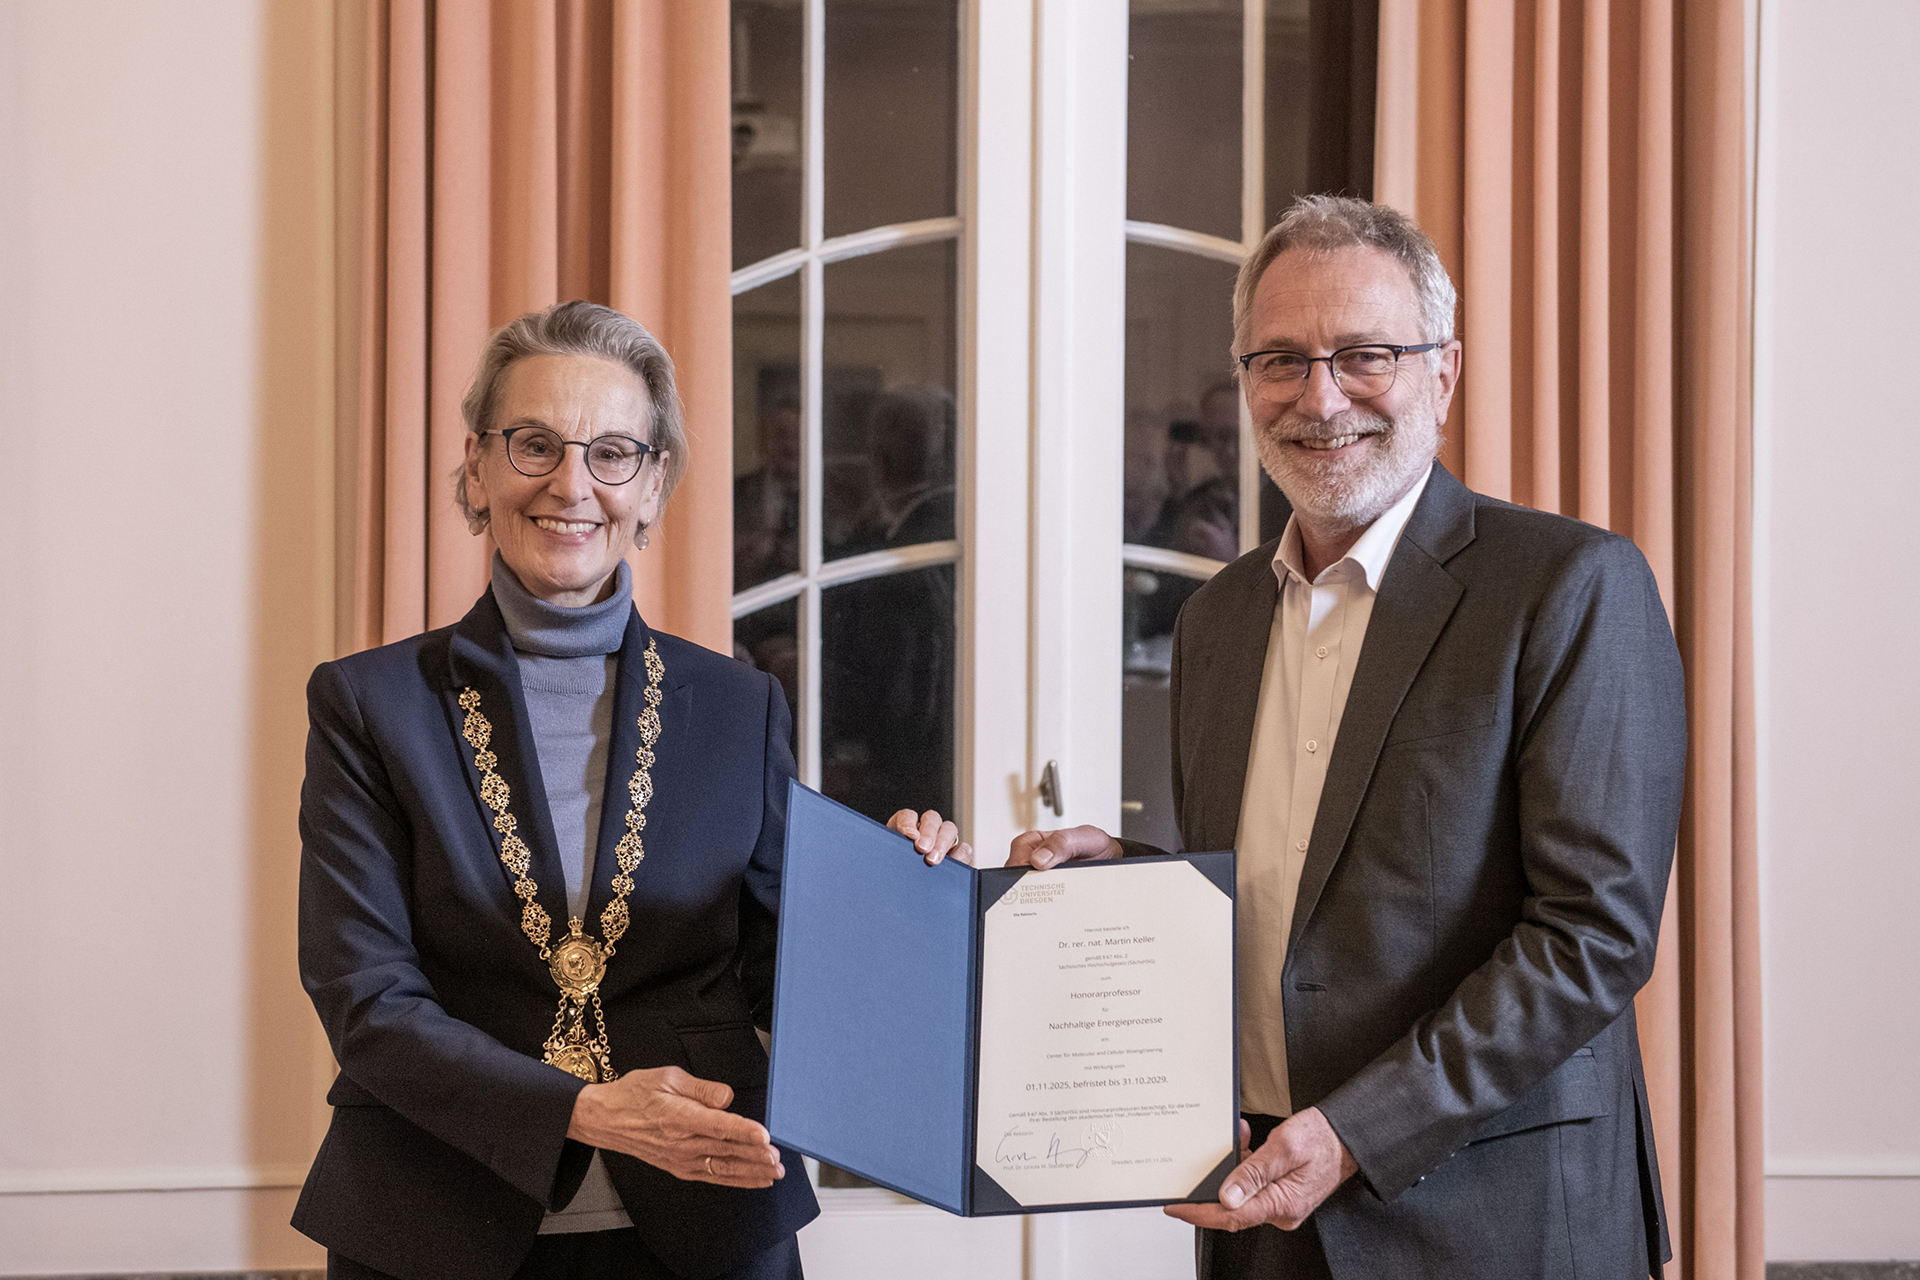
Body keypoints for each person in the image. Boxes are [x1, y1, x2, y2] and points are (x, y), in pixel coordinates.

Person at [897, 196, 1684, 1278]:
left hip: (1494, 1222)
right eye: (1279, 360)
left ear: (1443, 371)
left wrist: (1354, 1129)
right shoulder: (1217, 619)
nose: (1320, 398)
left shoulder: (1569, 585)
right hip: (1266, 1217)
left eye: (1365, 354)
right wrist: (1126, 881)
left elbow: (1592, 935)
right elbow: (1290, 897)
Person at [295, 302, 822, 1280]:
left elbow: (794, 966)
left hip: (707, 1222)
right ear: (478, 464)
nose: (571, 484)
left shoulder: (741, 705)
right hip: (431, 1221)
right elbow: (364, 998)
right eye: (534, 443)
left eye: (613, 452)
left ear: (653, 482)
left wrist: (911, 887)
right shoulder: (367, 704)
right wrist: (585, 1110)